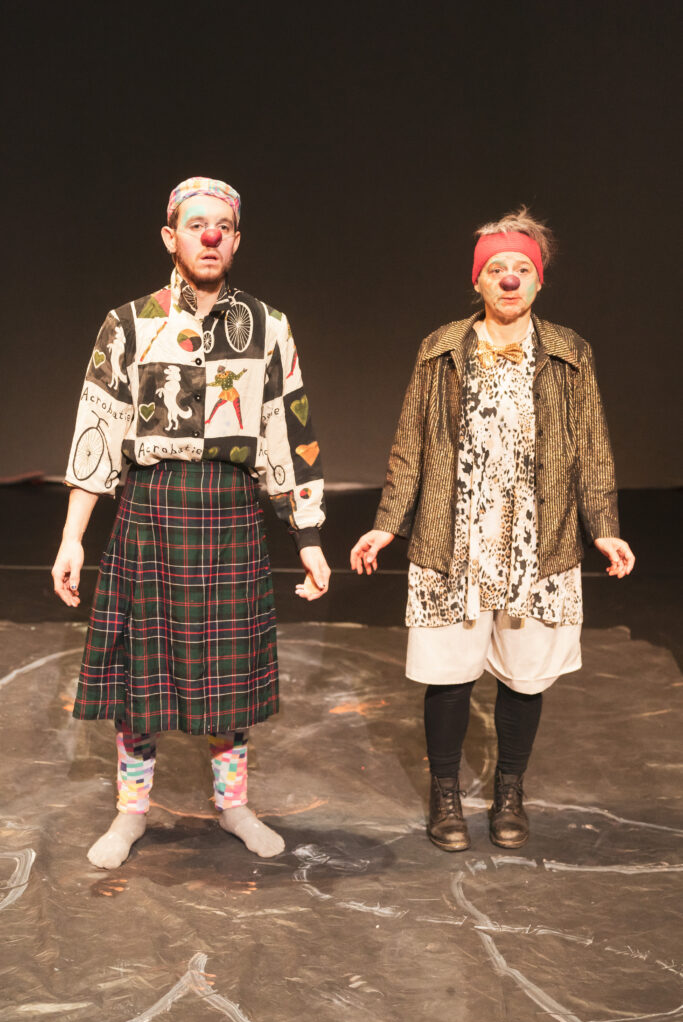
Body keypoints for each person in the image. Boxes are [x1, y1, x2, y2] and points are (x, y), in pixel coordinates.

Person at [52, 176, 330, 869]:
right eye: (195, 224)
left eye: (222, 227)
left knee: (226, 677)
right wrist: (72, 536)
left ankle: (232, 804)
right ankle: (131, 812)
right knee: (139, 679)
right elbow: (97, 428)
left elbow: (287, 433)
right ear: (169, 237)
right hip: (151, 508)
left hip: (229, 510)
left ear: (236, 240)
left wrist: (309, 536)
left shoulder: (269, 326)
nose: (210, 237)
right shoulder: (128, 323)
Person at [350, 207, 634, 852]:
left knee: (525, 676)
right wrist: (387, 524)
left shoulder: (569, 354)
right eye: (496, 269)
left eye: (522, 269)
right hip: (456, 541)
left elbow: (592, 448)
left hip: (539, 540)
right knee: (449, 675)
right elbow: (411, 445)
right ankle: (445, 792)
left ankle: (510, 789)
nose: (509, 279)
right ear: (477, 280)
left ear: (539, 281)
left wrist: (604, 528)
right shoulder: (441, 350)